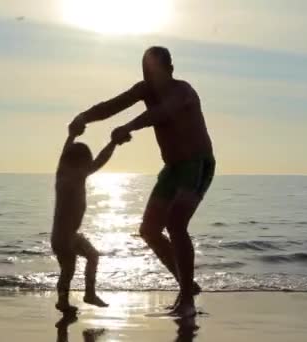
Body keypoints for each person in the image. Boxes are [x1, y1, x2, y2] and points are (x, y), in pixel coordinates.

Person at [69, 46, 215, 317]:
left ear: (170, 70)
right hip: (172, 168)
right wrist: (84, 117)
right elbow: (112, 105)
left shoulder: (183, 91)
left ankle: (186, 300)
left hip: (197, 163)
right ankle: (187, 284)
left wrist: (129, 127)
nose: (149, 78)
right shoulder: (144, 89)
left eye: (154, 71)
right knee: (149, 230)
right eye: (145, 71)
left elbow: (161, 113)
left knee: (176, 223)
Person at [51, 122, 129, 313]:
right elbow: (99, 161)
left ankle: (69, 300)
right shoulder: (73, 177)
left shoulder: (64, 174)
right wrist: (112, 144)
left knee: (72, 268)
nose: (90, 165)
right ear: (80, 163)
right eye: (87, 161)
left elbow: (67, 155)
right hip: (66, 236)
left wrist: (71, 136)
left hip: (62, 235)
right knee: (82, 262)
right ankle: (85, 295)